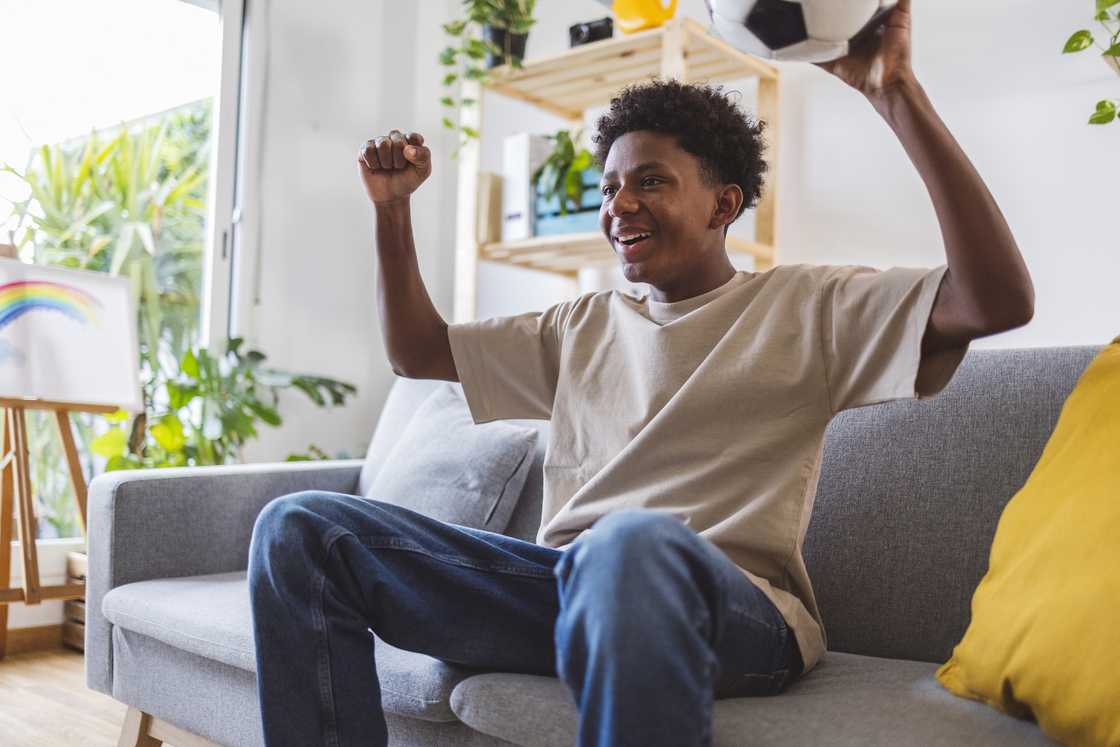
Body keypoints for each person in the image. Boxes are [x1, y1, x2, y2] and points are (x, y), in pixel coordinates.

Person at [248, 1, 1034, 744]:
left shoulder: (808, 305)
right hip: (568, 589)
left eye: (650, 180)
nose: (619, 203)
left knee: (627, 542)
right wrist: (392, 212)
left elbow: (995, 299)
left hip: (731, 609)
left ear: (723, 205)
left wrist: (894, 92)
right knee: (300, 529)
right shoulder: (580, 325)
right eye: (610, 186)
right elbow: (417, 352)